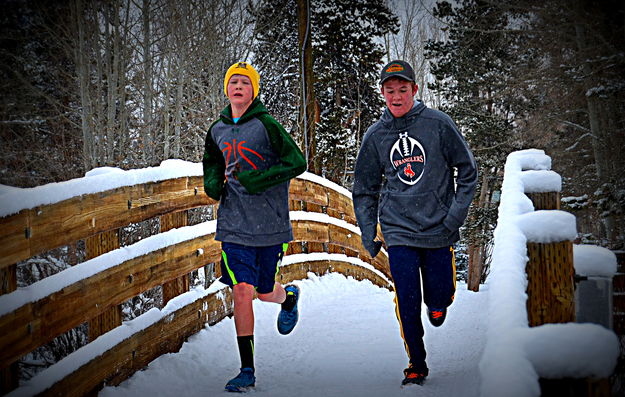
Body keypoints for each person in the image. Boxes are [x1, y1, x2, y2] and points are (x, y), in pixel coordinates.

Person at [352, 60, 477, 386]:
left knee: (439, 294)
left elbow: (467, 171)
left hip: (438, 227)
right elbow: (364, 188)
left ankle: (439, 303)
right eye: (390, 90)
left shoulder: (438, 124)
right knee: (406, 298)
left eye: (402, 90)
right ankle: (416, 364)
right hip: (398, 230)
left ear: (414, 90)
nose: (396, 96)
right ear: (383, 93)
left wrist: (454, 216)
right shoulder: (376, 135)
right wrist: (368, 231)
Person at [203, 61, 307, 393]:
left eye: (244, 83)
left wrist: (259, 180)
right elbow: (212, 162)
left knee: (264, 292)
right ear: (226, 89)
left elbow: (297, 162)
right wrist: (211, 183)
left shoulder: (267, 125)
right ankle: (247, 369)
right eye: (232, 82)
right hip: (233, 225)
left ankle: (287, 297)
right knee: (242, 290)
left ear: (253, 91)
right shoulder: (216, 129)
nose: (238, 87)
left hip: (269, 225)